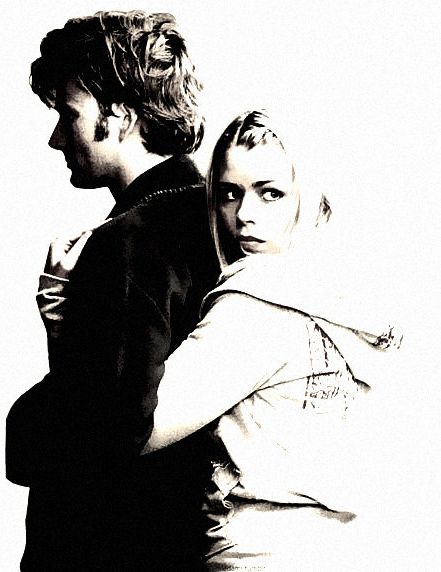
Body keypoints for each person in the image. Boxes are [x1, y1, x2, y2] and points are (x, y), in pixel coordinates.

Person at [39, 109, 401, 569]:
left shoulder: (254, 308)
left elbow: (125, 428)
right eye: (230, 194)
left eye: (270, 193)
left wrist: (60, 311)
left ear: (307, 196)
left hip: (258, 557)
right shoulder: (350, 299)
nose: (244, 215)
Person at [6, 10, 220, 571]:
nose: (56, 138)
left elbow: (107, 432)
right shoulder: (219, 221)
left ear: (120, 115)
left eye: (68, 114)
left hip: (113, 550)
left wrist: (22, 425)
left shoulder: (130, 239)